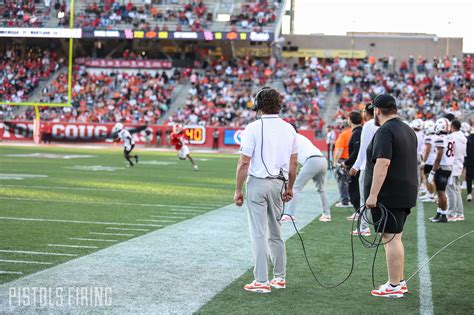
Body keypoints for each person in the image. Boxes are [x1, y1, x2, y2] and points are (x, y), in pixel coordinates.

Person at [234, 87, 298, 294]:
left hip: (258, 182)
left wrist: (237, 189)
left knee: (258, 233)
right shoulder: (289, 128)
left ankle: (261, 280)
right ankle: (279, 277)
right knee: (276, 232)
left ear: (258, 105)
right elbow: (294, 163)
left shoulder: (253, 128)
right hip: (279, 183)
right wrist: (290, 187)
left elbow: (244, 162)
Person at [365, 94, 417, 298]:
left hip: (391, 192)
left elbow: (383, 162)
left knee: (390, 238)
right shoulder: (407, 129)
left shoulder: (385, 130)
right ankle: (398, 281)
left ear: (377, 110)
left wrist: (372, 195)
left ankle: (394, 286)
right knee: (395, 237)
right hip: (405, 189)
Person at [281, 124, 330, 223]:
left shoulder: (291, 139)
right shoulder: (301, 137)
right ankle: (327, 214)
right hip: (322, 160)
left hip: (312, 161)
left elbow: (291, 161)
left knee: (295, 187)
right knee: (321, 189)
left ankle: (289, 215)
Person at [349, 103, 378, 236]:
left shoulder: (368, 125)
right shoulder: (383, 124)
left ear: (367, 112)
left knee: (364, 198)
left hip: (368, 166)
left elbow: (364, 148)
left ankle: (364, 227)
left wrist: (355, 165)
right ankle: (381, 225)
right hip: (381, 165)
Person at [428, 118, 455, 223]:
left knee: (441, 192)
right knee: (440, 193)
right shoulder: (450, 137)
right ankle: (439, 213)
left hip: (442, 167)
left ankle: (443, 215)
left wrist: (433, 171)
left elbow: (439, 155)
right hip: (447, 166)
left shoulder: (440, 138)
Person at [342, 112, 363, 214]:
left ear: (350, 120)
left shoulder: (358, 132)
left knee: (355, 191)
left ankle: (359, 213)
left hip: (356, 168)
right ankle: (358, 213)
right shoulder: (357, 132)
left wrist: (346, 163)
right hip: (356, 166)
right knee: (355, 191)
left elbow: (357, 151)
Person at [446, 120, 467, 221]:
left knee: (451, 190)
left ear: (453, 127)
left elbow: (451, 153)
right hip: (459, 164)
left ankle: (451, 213)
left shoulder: (453, 137)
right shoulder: (462, 136)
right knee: (456, 190)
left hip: (453, 165)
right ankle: (459, 213)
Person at [333, 121, 352, 208]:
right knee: (350, 181)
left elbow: (339, 150)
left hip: (343, 160)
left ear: (344, 127)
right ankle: (351, 199)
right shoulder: (354, 133)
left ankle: (344, 201)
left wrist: (335, 162)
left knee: (342, 181)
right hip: (351, 160)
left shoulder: (343, 135)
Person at [420, 120, 437, 202]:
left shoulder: (428, 137)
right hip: (433, 160)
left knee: (429, 178)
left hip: (429, 160)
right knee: (429, 178)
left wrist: (424, 160)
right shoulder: (435, 136)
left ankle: (431, 195)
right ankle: (429, 193)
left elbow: (427, 150)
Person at [465, 126, 474, 202]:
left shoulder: (468, 139)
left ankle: (469, 194)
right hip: (470, 161)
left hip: (470, 161)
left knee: (469, 178)